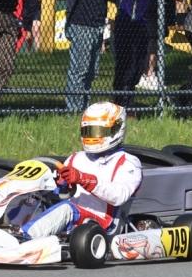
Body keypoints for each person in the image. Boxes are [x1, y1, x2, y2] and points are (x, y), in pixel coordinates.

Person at [22, 102, 141, 239]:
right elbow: (63, 193)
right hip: (72, 217)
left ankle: (25, 237)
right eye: (88, 131)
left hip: (102, 224)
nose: (92, 136)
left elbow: (119, 196)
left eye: (98, 131)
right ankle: (11, 229)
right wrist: (60, 185)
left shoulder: (128, 162)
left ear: (116, 130)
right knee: (34, 196)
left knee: (67, 209)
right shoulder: (76, 158)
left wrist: (83, 178)